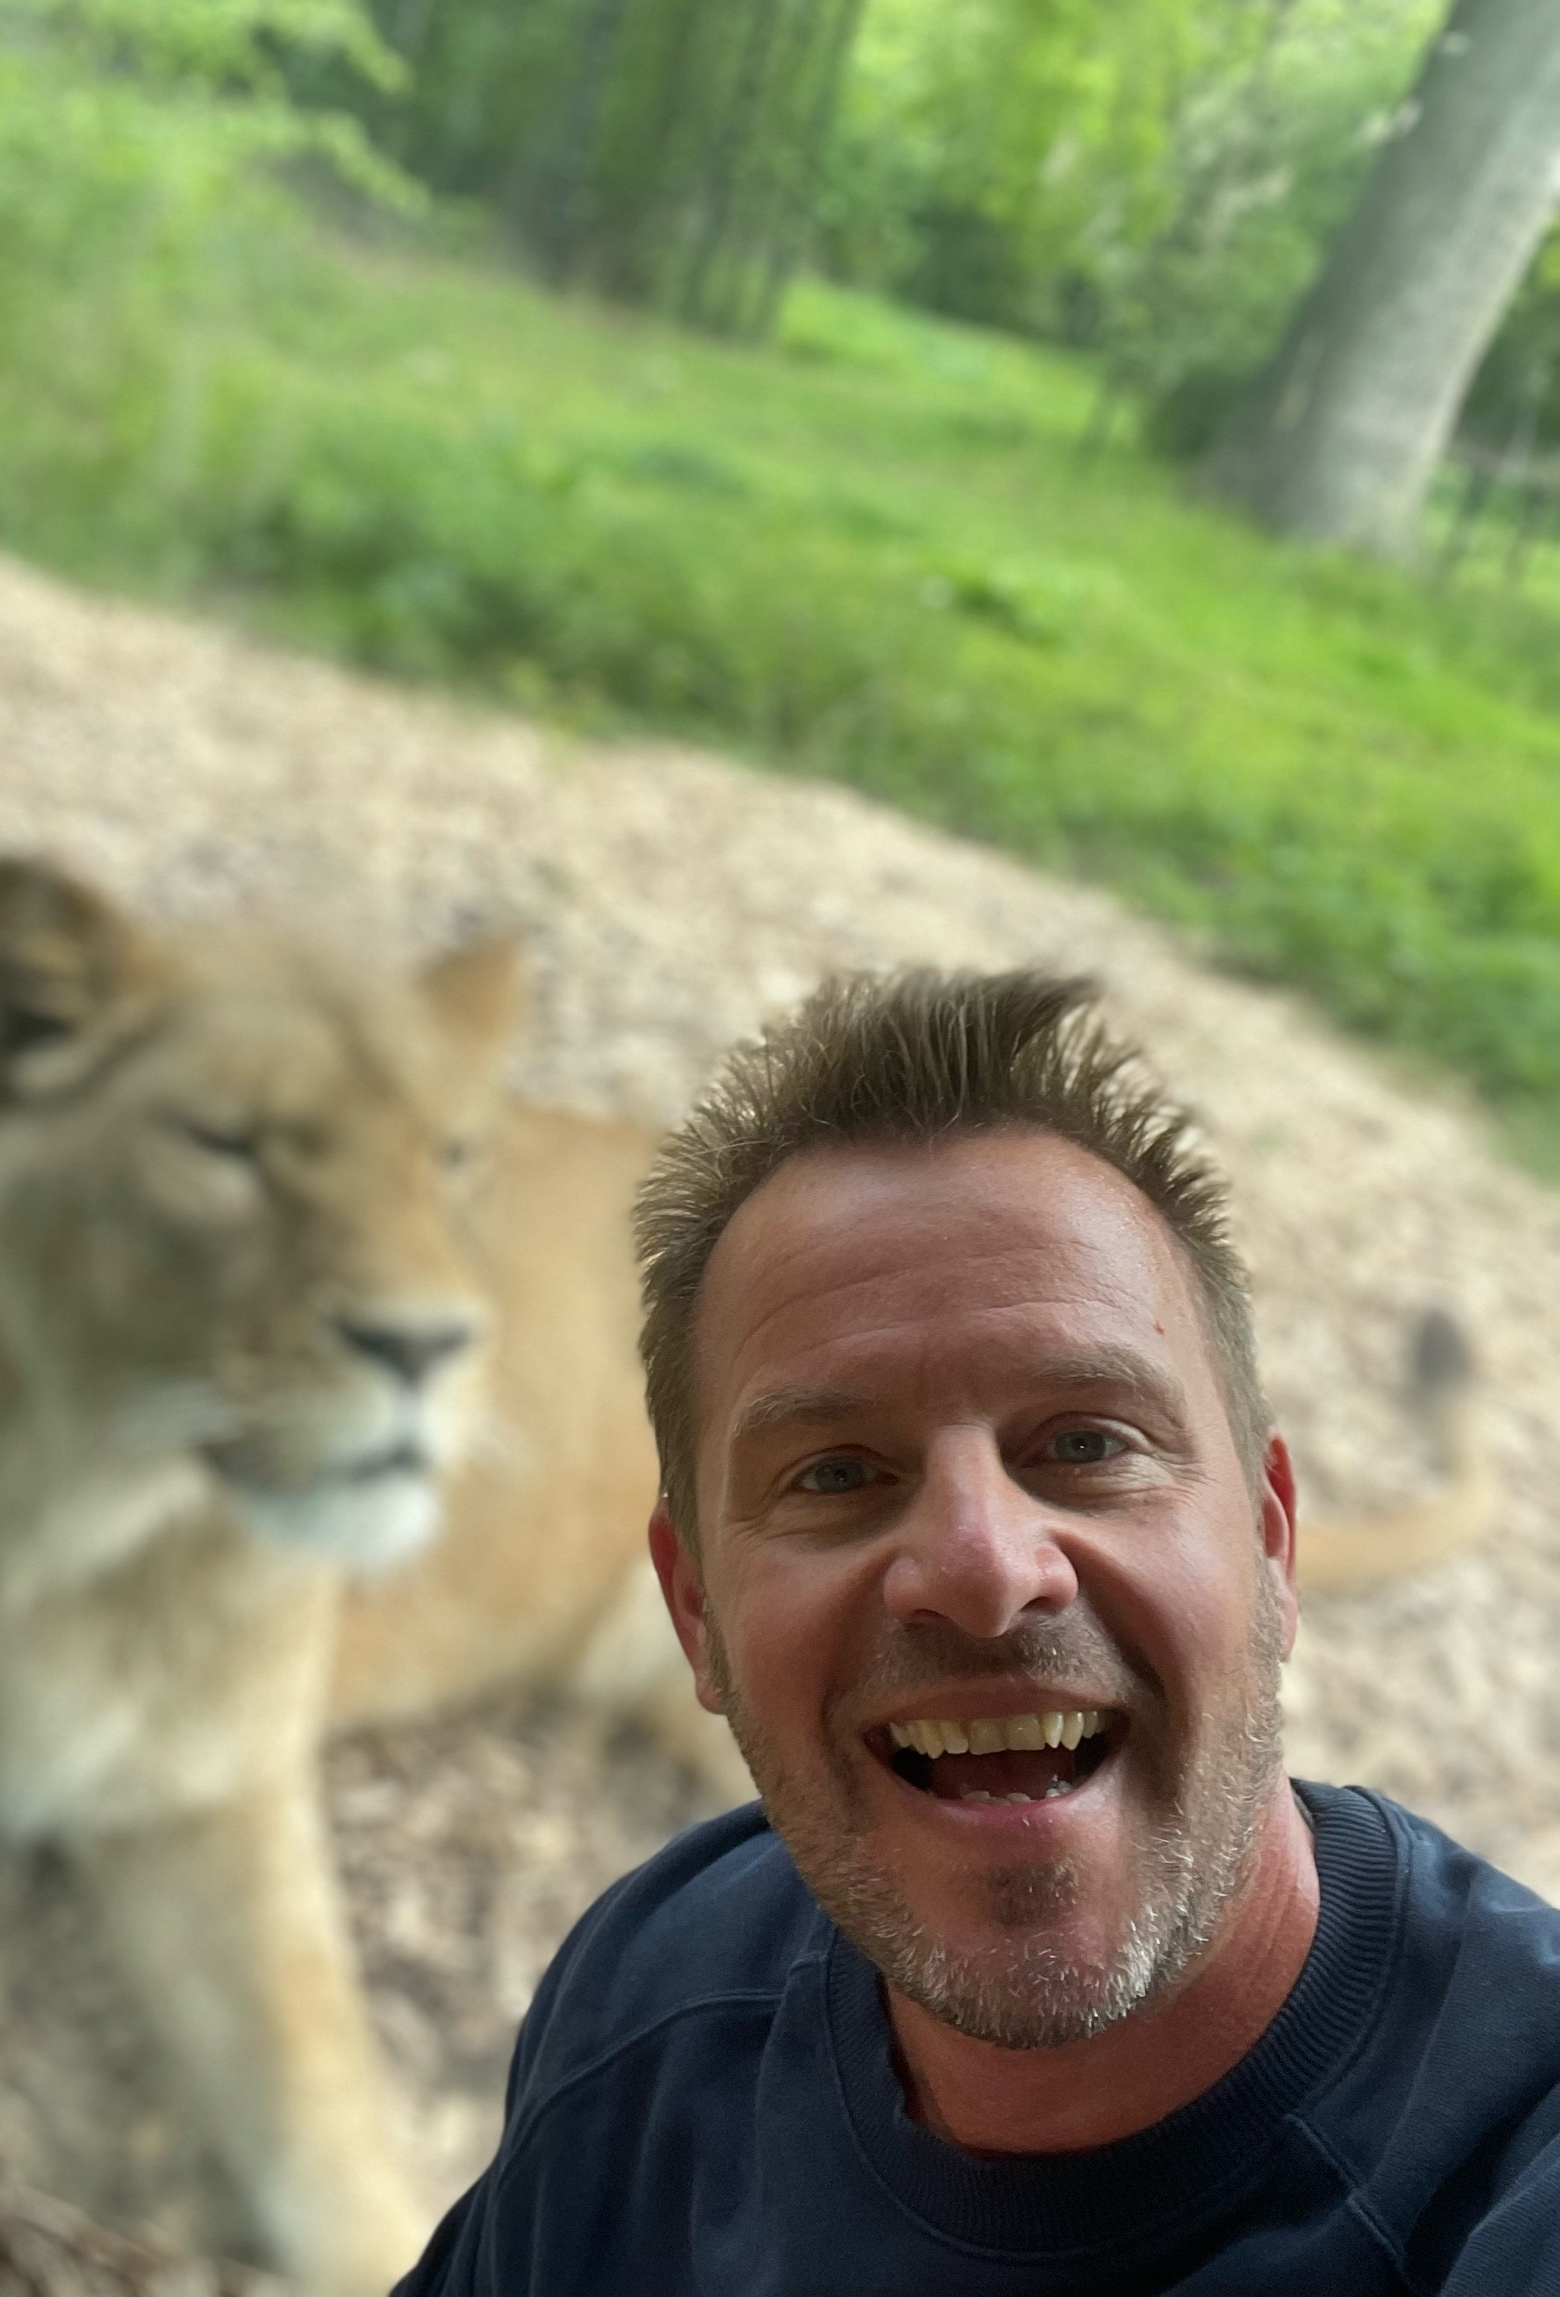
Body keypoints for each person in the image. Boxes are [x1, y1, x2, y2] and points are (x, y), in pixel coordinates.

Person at [394, 968, 1560, 2297]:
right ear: (697, 1612)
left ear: (1269, 1539)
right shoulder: (660, 1988)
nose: (980, 1570)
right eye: (837, 1473)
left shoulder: (1512, 2174)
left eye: (1088, 1443)